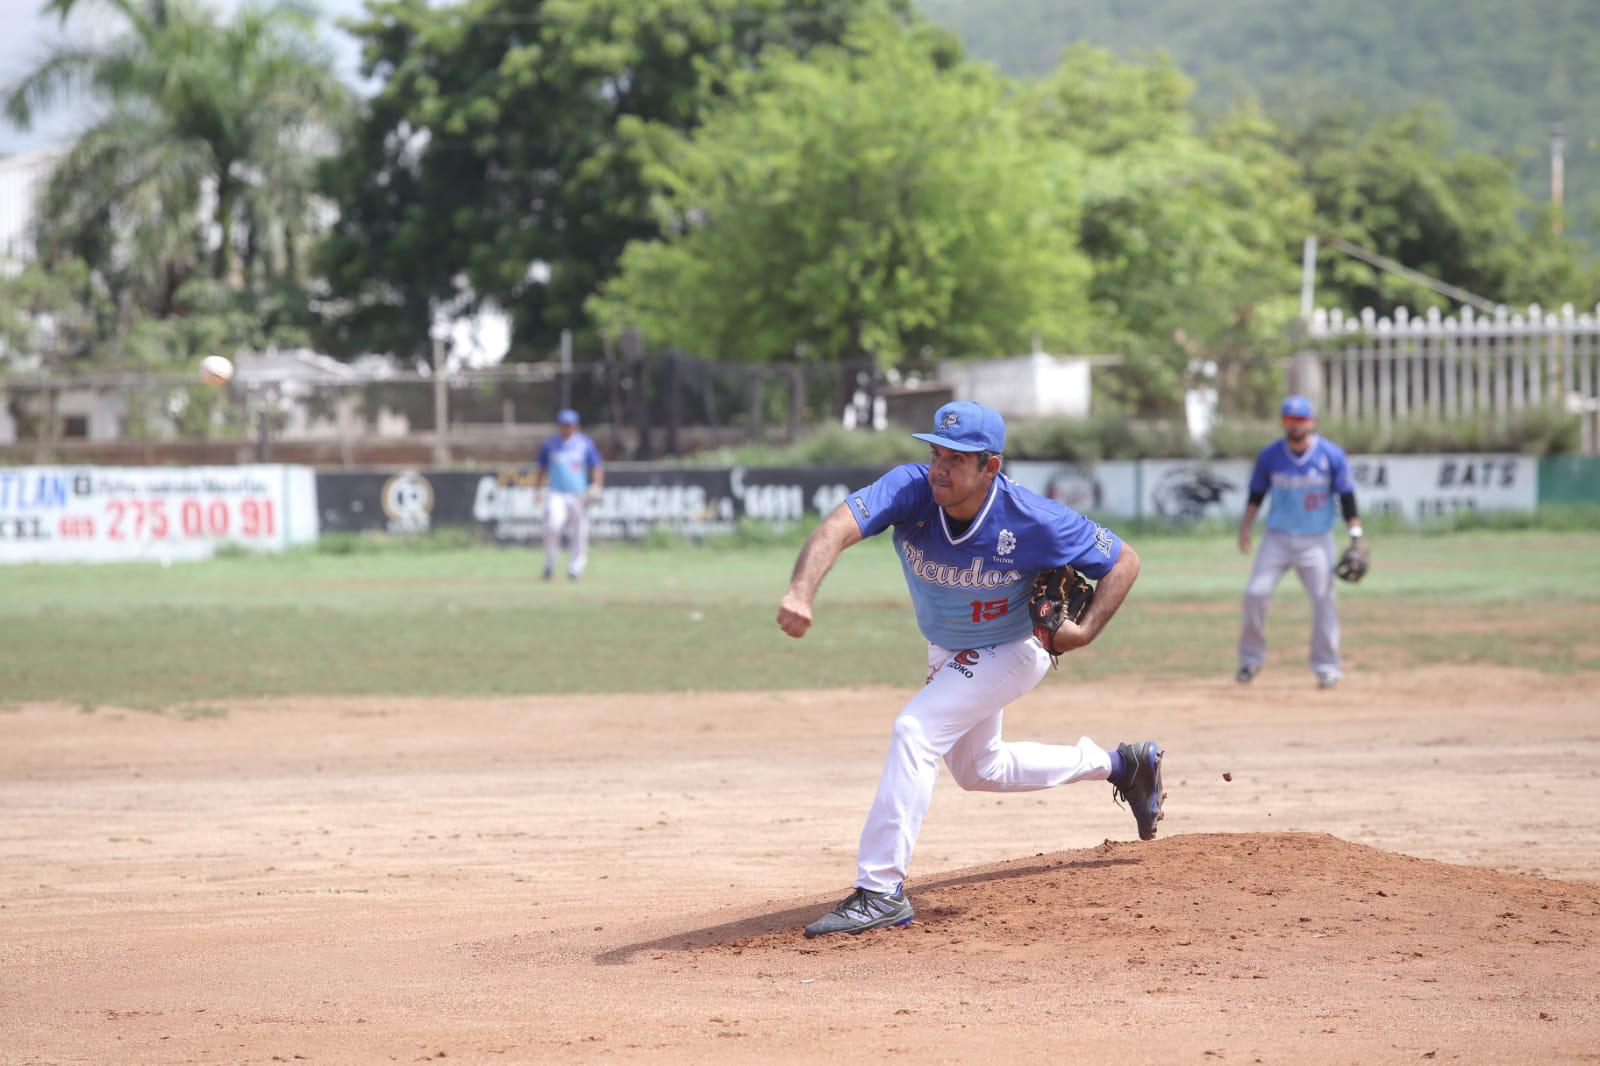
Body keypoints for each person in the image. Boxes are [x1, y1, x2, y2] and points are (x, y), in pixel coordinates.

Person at [776, 401, 1163, 939]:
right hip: (950, 650)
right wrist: (801, 590)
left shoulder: (1033, 519)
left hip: (1015, 646)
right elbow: (837, 527)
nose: (939, 466)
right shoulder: (911, 491)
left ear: (990, 468)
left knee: (915, 730)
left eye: (956, 458)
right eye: (936, 452)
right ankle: (1122, 765)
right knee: (982, 770)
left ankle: (880, 889)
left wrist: (1086, 629)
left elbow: (1125, 561)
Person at [1235, 395, 1363, 689]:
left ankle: (1327, 666)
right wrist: (1245, 529)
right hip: (1277, 538)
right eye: (1289, 420)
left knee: (1324, 601)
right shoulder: (1270, 456)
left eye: (1300, 420)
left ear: (1312, 422)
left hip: (1316, 540)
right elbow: (1256, 495)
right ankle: (1250, 661)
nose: (1294, 425)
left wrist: (1356, 535)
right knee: (1255, 594)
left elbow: (1346, 497)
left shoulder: (1330, 454)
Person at [534, 408, 604, 581]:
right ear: (559, 426)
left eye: (569, 425)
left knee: (579, 531)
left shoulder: (584, 443)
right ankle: (549, 565)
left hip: (578, 493)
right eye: (563, 425)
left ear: (576, 426)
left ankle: (576, 568)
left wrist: (596, 485)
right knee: (553, 526)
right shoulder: (550, 444)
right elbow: (541, 468)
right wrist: (537, 489)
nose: (566, 428)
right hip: (556, 492)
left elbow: (597, 465)